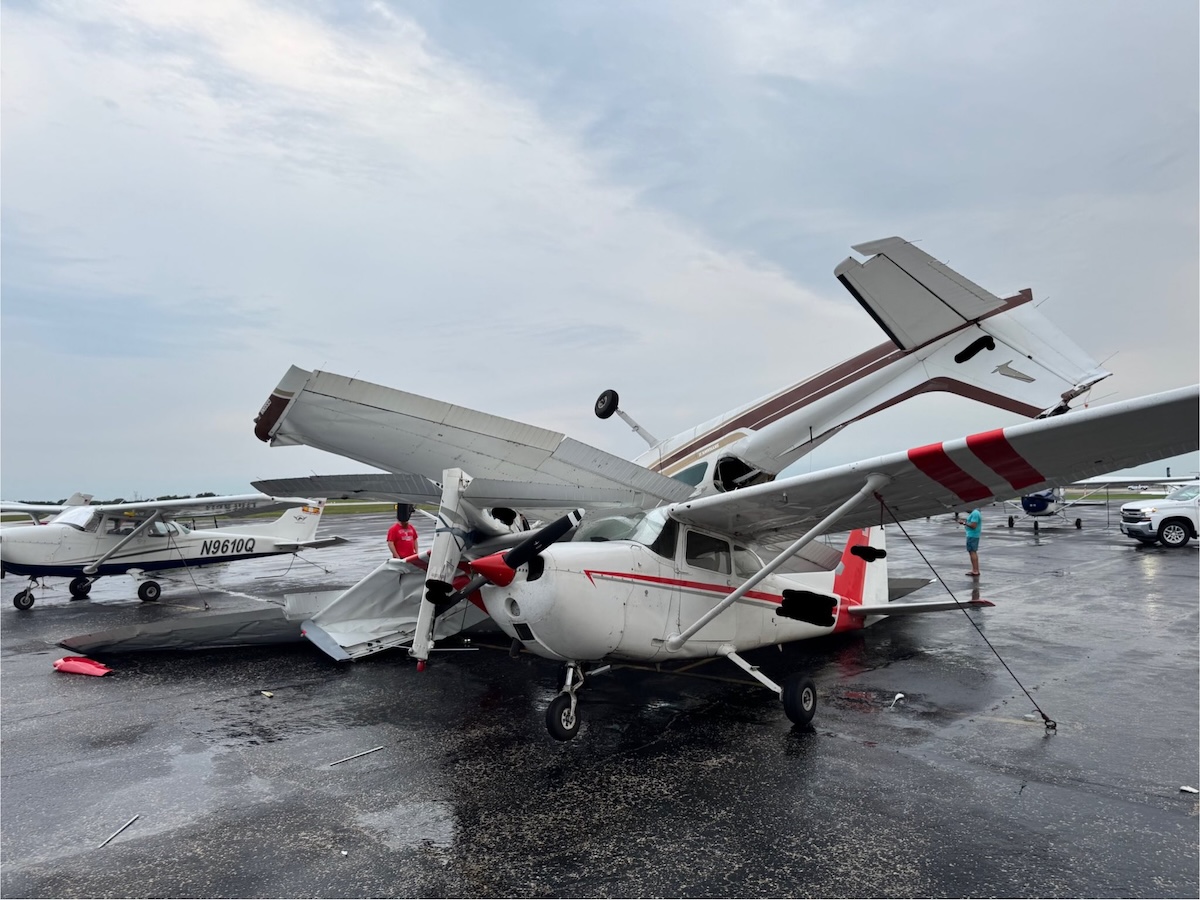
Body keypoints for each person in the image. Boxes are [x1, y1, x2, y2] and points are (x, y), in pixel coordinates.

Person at [955, 508, 982, 577]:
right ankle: (975, 569)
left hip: (972, 535)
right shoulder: (975, 513)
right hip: (972, 535)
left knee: (972, 552)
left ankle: (975, 570)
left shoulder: (975, 513)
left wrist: (964, 523)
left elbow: (973, 526)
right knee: (972, 552)